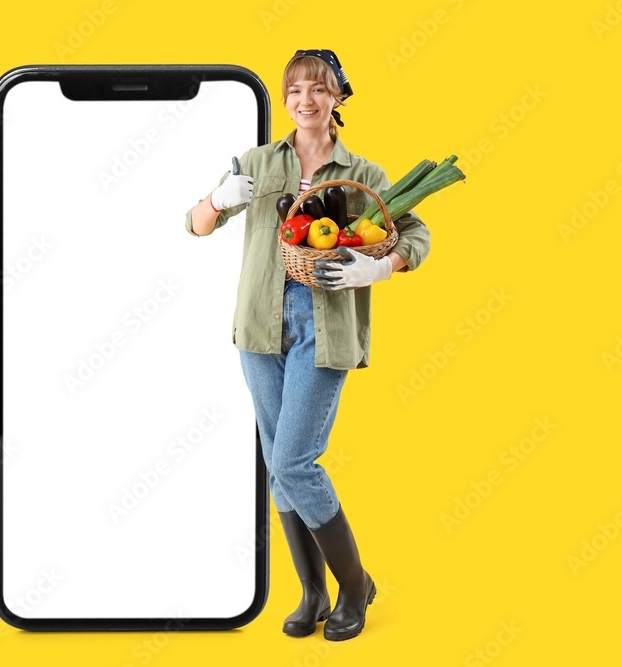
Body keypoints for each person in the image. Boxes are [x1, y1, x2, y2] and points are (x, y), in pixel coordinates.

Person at [184, 50, 431, 641]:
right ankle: (313, 590)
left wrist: (382, 268)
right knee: (279, 466)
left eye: (318, 90)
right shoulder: (258, 163)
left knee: (296, 461)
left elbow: (416, 233)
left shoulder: (362, 174)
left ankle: (355, 586)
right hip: (259, 328)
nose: (305, 101)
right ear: (286, 99)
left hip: (324, 329)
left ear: (338, 98)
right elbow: (194, 224)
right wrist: (220, 199)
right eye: (295, 91)